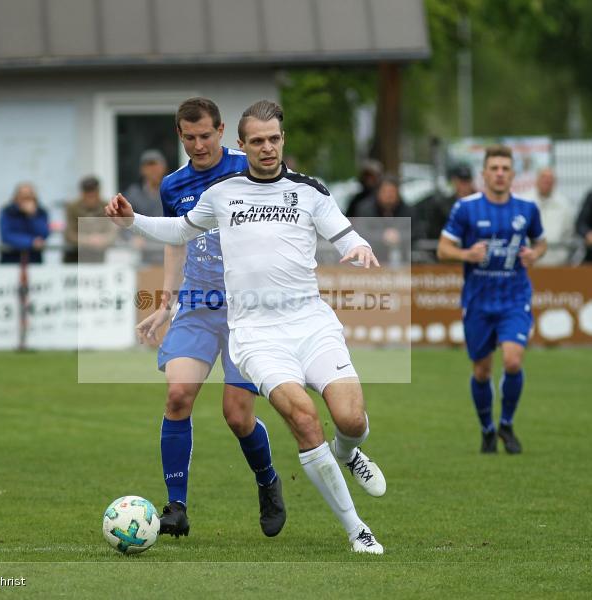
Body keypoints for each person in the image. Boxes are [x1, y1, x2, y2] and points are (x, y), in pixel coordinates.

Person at [109, 100, 388, 554]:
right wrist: (133, 224)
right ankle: (357, 529)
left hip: (310, 322)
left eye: (273, 139)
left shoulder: (309, 190)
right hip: (249, 329)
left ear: (281, 140)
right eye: (257, 140)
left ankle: (343, 453)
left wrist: (358, 245)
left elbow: (343, 230)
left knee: (345, 419)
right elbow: (180, 233)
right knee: (292, 417)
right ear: (243, 143)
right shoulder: (218, 192)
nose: (267, 147)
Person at [121, 97, 285, 540]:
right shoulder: (173, 186)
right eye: (189, 137)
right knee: (177, 396)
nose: (198, 145)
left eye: (206, 136)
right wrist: (165, 301)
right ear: (180, 135)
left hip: (246, 308)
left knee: (236, 415)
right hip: (197, 303)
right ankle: (175, 507)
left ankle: (268, 480)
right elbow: (177, 240)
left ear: (221, 131)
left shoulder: (249, 167)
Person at [437, 145, 547, 455]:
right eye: (494, 168)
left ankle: (507, 425)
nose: (499, 174)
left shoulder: (527, 209)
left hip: (515, 298)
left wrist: (535, 254)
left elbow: (541, 242)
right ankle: (487, 429)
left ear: (513, 175)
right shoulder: (466, 208)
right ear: (484, 174)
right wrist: (466, 254)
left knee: (513, 360)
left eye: (505, 169)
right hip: (479, 301)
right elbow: (443, 249)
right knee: (482, 371)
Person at [352, 174, 414, 265]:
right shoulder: (365, 209)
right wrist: (382, 236)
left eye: (392, 192)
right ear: (378, 192)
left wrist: (400, 236)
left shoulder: (407, 210)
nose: (389, 196)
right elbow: (360, 232)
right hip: (371, 261)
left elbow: (417, 232)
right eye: (385, 192)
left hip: (404, 262)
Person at [525, 168, 576, 266]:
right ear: (536, 180)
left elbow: (569, 232)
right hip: (530, 263)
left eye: (550, 179)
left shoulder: (564, 204)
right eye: (543, 177)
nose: (547, 181)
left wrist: (564, 255)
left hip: (558, 263)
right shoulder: (525, 202)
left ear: (555, 182)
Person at [418, 163, 476, 245]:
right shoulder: (442, 206)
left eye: (466, 181)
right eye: (461, 181)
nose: (464, 186)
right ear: (454, 181)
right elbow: (434, 233)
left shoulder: (479, 203)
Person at [63, 176, 116, 263]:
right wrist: (87, 240)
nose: (91, 199)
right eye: (88, 196)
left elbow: (113, 232)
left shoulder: (106, 206)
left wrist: (103, 239)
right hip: (75, 257)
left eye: (93, 195)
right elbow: (69, 234)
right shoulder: (72, 207)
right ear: (82, 194)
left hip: (97, 257)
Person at [0, 182, 49, 264]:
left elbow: (44, 233)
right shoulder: (8, 212)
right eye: (23, 196)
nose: (26, 200)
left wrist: (32, 216)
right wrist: (30, 242)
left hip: (34, 259)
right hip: (10, 259)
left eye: (29, 197)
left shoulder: (41, 212)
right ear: (16, 197)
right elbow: (6, 235)